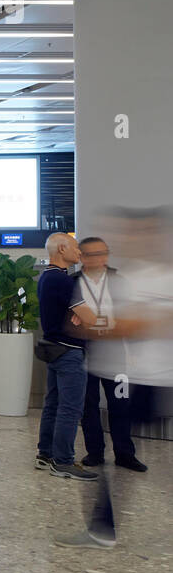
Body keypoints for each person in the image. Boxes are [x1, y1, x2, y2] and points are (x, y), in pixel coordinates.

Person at [56, 208, 173, 548]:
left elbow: (144, 323)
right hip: (107, 364)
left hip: (151, 376)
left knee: (124, 422)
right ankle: (101, 527)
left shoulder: (153, 278)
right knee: (92, 412)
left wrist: (101, 325)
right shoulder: (116, 278)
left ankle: (102, 525)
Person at [73, 237, 145, 472]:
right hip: (85, 355)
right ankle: (94, 452)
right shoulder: (73, 283)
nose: (101, 258)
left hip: (117, 355)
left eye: (104, 253)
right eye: (93, 254)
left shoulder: (119, 280)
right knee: (88, 405)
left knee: (120, 404)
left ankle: (125, 454)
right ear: (82, 257)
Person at [33, 232, 96, 479]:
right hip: (69, 351)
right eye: (75, 247)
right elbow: (89, 317)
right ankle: (63, 461)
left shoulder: (47, 277)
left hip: (54, 349)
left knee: (53, 404)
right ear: (61, 248)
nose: (79, 252)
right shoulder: (62, 281)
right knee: (70, 408)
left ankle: (45, 454)